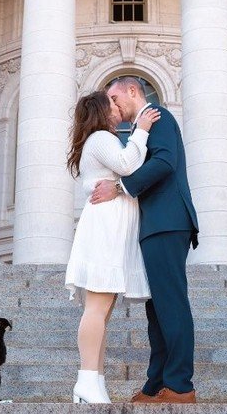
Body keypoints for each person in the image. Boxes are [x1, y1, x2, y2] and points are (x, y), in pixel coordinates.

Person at [91, 77, 199, 405]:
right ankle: (156, 385)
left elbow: (164, 162)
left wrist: (119, 188)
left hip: (168, 221)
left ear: (132, 91)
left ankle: (180, 386)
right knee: (157, 308)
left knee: (171, 303)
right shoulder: (142, 126)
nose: (112, 106)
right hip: (154, 224)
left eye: (114, 98)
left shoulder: (158, 117)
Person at [65, 89, 161, 404]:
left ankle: (95, 382)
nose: (117, 107)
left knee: (102, 312)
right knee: (97, 308)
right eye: (112, 103)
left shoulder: (99, 140)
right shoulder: (101, 138)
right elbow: (128, 164)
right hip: (105, 228)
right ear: (101, 111)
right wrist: (142, 130)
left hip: (110, 227)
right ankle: (86, 380)